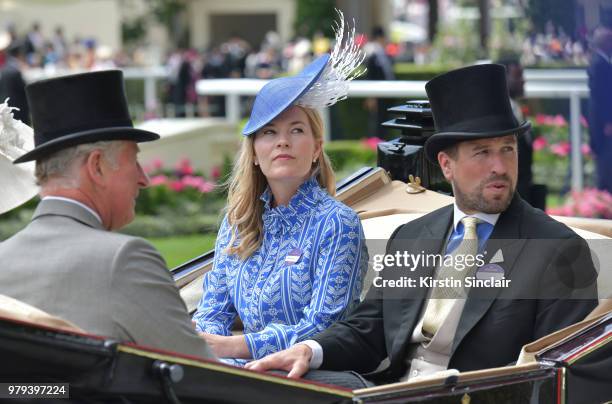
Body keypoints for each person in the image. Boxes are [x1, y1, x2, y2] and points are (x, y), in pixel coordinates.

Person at [245, 64, 598, 387]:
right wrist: (309, 350)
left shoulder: (557, 249)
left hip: (475, 396)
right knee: (274, 384)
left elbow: (556, 375)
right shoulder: (413, 238)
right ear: (446, 165)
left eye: (507, 149)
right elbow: (369, 330)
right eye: (482, 152)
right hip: (388, 391)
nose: (500, 166)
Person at [0, 70, 215, 360]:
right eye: (134, 160)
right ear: (97, 166)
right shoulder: (124, 258)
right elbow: (206, 377)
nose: (144, 179)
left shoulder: (4, 258)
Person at [192, 12, 368, 366]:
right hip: (236, 370)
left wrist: (233, 348)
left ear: (316, 149)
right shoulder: (238, 220)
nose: (282, 142)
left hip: (306, 376)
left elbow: (323, 325)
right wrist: (211, 346)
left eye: (297, 131)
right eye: (269, 132)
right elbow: (212, 308)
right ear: (255, 153)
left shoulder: (337, 224)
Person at [588, 26, 612, 194]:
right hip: (604, 124)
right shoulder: (600, 64)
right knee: (606, 160)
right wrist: (608, 121)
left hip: (601, 123)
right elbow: (602, 97)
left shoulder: (599, 62)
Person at [0, 31, 29, 124]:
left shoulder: (5, 68)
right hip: (17, 106)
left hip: (5, 104)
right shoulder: (14, 70)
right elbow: (24, 88)